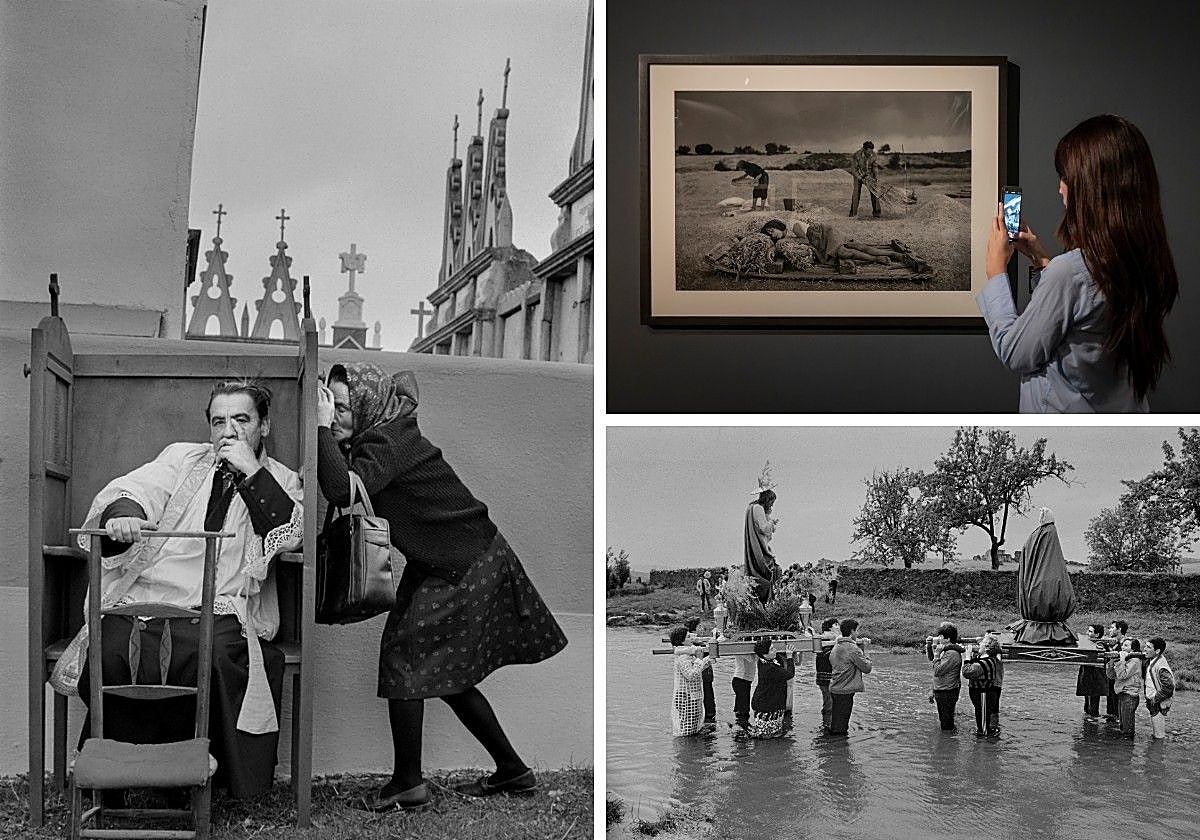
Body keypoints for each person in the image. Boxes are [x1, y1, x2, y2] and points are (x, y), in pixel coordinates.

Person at [317, 363, 567, 810]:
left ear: (368, 407)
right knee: (445, 673)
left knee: (409, 661)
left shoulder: (387, 441)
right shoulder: (382, 436)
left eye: (342, 408)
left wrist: (318, 429)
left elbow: (340, 491)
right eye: (329, 407)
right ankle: (512, 771)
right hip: (448, 557)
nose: (333, 415)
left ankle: (409, 785)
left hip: (465, 561)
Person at [75, 379, 304, 800]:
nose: (229, 432)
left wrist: (252, 472)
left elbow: (289, 535)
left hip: (222, 606)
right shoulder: (183, 457)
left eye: (241, 419)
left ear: (264, 426)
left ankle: (199, 774)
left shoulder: (282, 479)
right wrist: (125, 516)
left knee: (212, 654)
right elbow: (141, 486)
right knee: (108, 650)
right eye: (219, 422)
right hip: (154, 594)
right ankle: (119, 772)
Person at [977, 114, 1178, 413]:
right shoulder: (1143, 263)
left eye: (1066, 177)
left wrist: (995, 273)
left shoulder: (1070, 272)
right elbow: (1083, 319)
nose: (1060, 188)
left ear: (1092, 186)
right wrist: (1041, 258)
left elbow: (1015, 353)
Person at [828, 619, 872, 736]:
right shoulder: (852, 648)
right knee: (840, 729)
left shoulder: (838, 645)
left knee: (836, 723)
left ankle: (834, 747)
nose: (858, 634)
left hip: (836, 688)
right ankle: (838, 750)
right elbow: (867, 668)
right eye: (857, 631)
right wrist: (865, 651)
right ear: (852, 631)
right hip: (845, 691)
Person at [669, 625, 711, 737]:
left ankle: (693, 751)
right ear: (681, 641)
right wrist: (700, 659)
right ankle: (687, 751)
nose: (691, 638)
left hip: (692, 694)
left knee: (694, 726)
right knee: (687, 731)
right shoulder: (683, 657)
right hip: (685, 696)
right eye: (688, 637)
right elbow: (691, 675)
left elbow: (698, 667)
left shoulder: (688, 654)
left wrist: (708, 660)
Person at [749, 638, 795, 739]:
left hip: (766, 702)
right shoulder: (770, 668)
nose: (775, 650)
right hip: (767, 706)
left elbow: (777, 659)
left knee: (768, 734)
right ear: (765, 654)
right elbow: (790, 674)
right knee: (768, 736)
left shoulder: (762, 661)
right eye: (772, 649)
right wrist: (790, 657)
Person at [962, 633, 1004, 737]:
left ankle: (985, 747)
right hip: (980, 696)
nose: (979, 644)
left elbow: (967, 672)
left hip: (984, 695)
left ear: (987, 647)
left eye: (982, 643)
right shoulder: (984, 659)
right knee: (981, 722)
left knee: (984, 728)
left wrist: (967, 658)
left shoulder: (988, 661)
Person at [926, 622, 965, 732]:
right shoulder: (946, 650)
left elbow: (938, 670)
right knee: (945, 722)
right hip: (942, 690)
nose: (938, 638)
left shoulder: (951, 653)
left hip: (947, 692)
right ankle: (949, 743)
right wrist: (933, 689)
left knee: (947, 725)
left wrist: (937, 654)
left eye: (941, 636)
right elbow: (933, 662)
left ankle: (950, 744)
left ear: (947, 639)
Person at [744, 488, 779, 604]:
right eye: (771, 502)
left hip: (756, 545)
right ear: (767, 499)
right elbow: (764, 528)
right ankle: (768, 602)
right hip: (759, 548)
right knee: (773, 570)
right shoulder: (758, 508)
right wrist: (772, 523)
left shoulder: (751, 507)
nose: (772, 505)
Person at [1106, 637, 1145, 738]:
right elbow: (1111, 676)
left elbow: (1123, 675)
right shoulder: (1123, 660)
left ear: (1133, 650)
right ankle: (1125, 750)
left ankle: (1128, 747)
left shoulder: (1135, 661)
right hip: (1122, 694)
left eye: (1126, 645)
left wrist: (1121, 661)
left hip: (1130, 695)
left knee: (1127, 729)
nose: (1122, 647)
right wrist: (1111, 662)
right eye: (1123, 645)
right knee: (1122, 725)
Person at [685, 618, 716, 725]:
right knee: (707, 695)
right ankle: (708, 716)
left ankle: (706, 716)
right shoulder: (694, 642)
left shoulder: (693, 641)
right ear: (695, 629)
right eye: (700, 626)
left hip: (703, 674)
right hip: (702, 674)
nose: (702, 629)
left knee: (706, 694)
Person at [1076, 624, 1110, 720]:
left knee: (1093, 703)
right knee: (1087, 702)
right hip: (1087, 675)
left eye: (1090, 631)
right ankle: (1088, 722)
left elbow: (1104, 659)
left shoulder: (1100, 645)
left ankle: (1093, 723)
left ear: (1097, 634)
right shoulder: (1088, 642)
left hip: (1096, 677)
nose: (1087, 633)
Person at [1144, 637, 1174, 740]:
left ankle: (1157, 753)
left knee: (1159, 736)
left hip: (1158, 703)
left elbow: (1169, 687)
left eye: (1148, 647)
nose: (1145, 649)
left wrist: (1155, 699)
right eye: (1145, 646)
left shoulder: (1160, 666)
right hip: (1154, 701)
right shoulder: (1154, 659)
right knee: (1156, 735)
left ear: (1157, 651)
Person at [814, 618, 840, 729]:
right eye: (835, 624)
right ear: (830, 627)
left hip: (825, 676)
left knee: (829, 702)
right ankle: (827, 727)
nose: (838, 626)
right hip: (827, 676)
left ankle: (827, 726)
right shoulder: (827, 637)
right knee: (830, 704)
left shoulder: (829, 638)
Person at [849, 140, 882, 217]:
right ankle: (853, 213)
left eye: (871, 151)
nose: (870, 153)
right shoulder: (856, 155)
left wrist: (876, 177)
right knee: (856, 192)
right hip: (858, 174)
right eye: (868, 151)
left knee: (874, 191)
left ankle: (876, 213)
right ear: (864, 149)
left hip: (869, 175)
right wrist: (860, 177)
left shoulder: (873, 155)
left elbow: (875, 167)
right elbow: (854, 169)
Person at [1103, 620, 1129, 719]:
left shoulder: (1126, 644)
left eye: (1112, 627)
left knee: (1117, 701)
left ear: (1120, 629)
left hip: (1120, 677)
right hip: (1111, 674)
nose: (1110, 630)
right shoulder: (1113, 643)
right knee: (1111, 700)